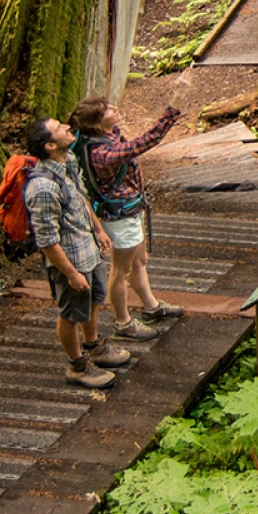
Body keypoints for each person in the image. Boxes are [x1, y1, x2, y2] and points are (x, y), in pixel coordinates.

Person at [21, 118, 135, 388]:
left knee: (94, 300)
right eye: (59, 128)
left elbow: (81, 196)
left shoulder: (68, 161)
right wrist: (71, 274)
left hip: (88, 249)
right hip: (70, 260)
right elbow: (47, 240)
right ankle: (77, 366)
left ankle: (94, 346)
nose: (66, 127)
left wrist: (98, 230)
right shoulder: (43, 188)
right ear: (49, 145)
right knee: (71, 313)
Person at [65, 99, 185, 342]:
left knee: (140, 260)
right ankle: (123, 322)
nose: (115, 109)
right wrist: (169, 114)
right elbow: (143, 143)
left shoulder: (107, 137)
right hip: (119, 217)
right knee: (120, 272)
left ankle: (151, 307)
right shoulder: (102, 153)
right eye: (108, 110)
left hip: (131, 210)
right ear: (97, 124)